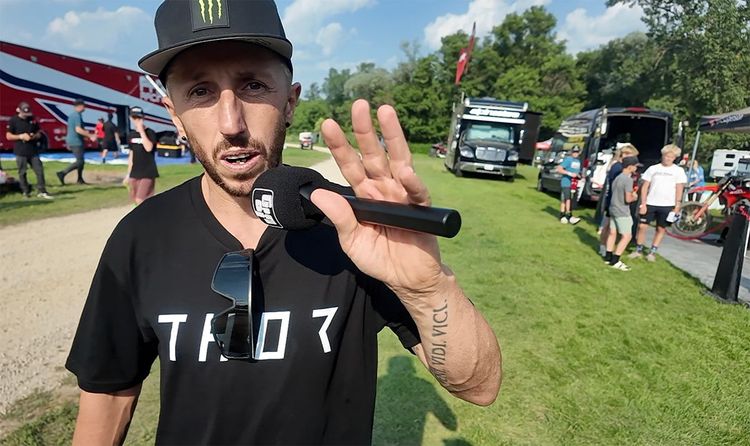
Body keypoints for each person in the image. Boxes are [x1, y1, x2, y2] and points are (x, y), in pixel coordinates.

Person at [65, 1, 502, 445]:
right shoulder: (141, 236)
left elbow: (479, 386)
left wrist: (427, 290)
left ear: (290, 102)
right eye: (200, 91)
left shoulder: (353, 226)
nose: (231, 124)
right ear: (174, 113)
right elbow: (109, 394)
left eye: (253, 86)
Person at [629, 144, 687, 262]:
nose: (668, 158)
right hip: (651, 202)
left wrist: (677, 205)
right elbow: (645, 186)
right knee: (642, 226)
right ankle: (638, 249)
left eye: (671, 157)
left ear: (674, 158)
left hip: (667, 204)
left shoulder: (678, 171)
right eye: (666, 156)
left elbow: (679, 188)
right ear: (662, 155)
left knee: (661, 228)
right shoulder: (653, 169)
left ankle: (652, 251)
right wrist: (643, 203)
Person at [5, 102, 53, 199]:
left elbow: (39, 132)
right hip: (21, 151)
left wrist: (34, 136)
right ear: (18, 110)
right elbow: (8, 136)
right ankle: (25, 191)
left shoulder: (32, 119)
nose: (26, 115)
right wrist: (20, 136)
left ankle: (42, 190)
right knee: (22, 172)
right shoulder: (13, 120)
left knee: (39, 170)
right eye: (24, 113)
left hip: (33, 150)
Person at [598, 144, 639, 256]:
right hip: (615, 200)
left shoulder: (619, 167)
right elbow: (617, 186)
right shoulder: (618, 167)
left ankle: (606, 248)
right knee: (608, 226)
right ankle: (603, 247)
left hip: (615, 200)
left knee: (611, 227)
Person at [604, 156, 641, 270]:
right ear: (630, 167)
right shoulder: (628, 180)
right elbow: (628, 199)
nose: (636, 168)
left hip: (613, 208)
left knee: (612, 233)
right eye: (635, 166)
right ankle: (615, 260)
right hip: (622, 211)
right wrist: (634, 196)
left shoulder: (618, 177)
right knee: (626, 236)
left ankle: (608, 257)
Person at [57, 99, 96, 185]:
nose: (85, 108)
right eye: (84, 106)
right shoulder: (76, 116)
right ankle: (62, 173)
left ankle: (80, 179)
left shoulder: (74, 115)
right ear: (80, 106)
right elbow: (78, 129)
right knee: (80, 161)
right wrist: (90, 136)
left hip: (76, 140)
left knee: (81, 161)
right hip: (76, 141)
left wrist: (86, 135)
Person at [124, 107, 159, 205]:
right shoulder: (131, 135)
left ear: (143, 118)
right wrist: (128, 174)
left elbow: (149, 148)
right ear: (131, 118)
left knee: (140, 199)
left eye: (139, 118)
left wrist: (142, 132)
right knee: (134, 198)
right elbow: (131, 155)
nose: (137, 121)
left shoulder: (150, 133)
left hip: (148, 171)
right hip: (135, 171)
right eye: (134, 118)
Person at [556, 146, 582, 224]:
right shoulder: (568, 159)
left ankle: (567, 214)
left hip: (574, 183)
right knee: (566, 198)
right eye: (574, 152)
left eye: (577, 152)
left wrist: (578, 176)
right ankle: (565, 214)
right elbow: (559, 169)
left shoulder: (578, 161)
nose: (575, 153)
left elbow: (577, 172)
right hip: (566, 182)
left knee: (570, 199)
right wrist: (569, 173)